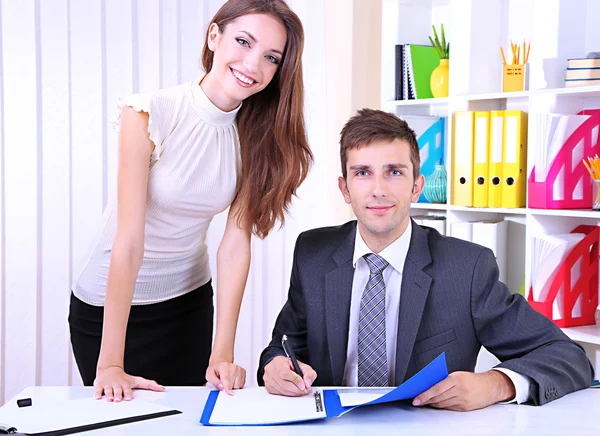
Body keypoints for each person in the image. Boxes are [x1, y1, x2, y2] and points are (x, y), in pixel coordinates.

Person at [257, 108, 594, 410]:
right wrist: (275, 367)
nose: (378, 189)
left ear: (417, 185)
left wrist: (495, 384)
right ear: (345, 189)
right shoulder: (313, 253)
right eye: (362, 173)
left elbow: (568, 357)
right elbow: (284, 347)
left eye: (394, 172)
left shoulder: (467, 268)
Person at [68, 0, 312, 403]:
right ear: (214, 36)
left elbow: (235, 246)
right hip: (110, 308)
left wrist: (223, 352)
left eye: (271, 57)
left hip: (187, 302)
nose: (253, 65)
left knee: (191, 420)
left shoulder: (257, 135)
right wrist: (110, 363)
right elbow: (128, 240)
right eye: (243, 42)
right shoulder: (149, 112)